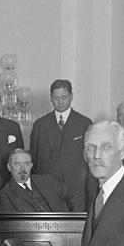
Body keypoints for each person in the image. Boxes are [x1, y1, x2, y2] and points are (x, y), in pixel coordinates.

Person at [29, 79, 92, 208]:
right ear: (51, 98)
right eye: (56, 97)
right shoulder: (40, 125)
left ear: (71, 97)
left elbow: (90, 160)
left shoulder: (84, 123)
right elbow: (33, 161)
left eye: (64, 97)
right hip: (47, 191)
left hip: (77, 190)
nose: (60, 101)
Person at [0, 149, 84, 212]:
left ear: (31, 165)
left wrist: (73, 223)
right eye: (17, 164)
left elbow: (74, 197)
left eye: (26, 163)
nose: (22, 168)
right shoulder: (4, 195)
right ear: (9, 167)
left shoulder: (48, 180)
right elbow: (16, 226)